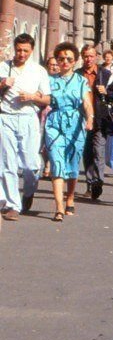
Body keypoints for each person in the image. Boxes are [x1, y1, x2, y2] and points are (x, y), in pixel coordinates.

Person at [0, 33, 52, 220]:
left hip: (29, 117)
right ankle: (13, 204)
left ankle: (29, 191)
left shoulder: (38, 71)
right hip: (6, 117)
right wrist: (2, 84)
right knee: (7, 164)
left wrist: (32, 97)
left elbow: (47, 98)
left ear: (31, 51)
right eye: (19, 50)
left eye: (25, 51)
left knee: (31, 164)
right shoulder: (4, 67)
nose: (21, 54)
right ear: (14, 49)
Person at [46, 42, 93, 222]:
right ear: (57, 60)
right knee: (57, 162)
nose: (65, 62)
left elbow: (86, 103)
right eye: (61, 58)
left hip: (75, 124)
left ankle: (70, 197)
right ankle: (58, 207)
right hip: (54, 123)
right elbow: (43, 98)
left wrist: (90, 118)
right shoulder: (50, 80)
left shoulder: (81, 81)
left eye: (69, 59)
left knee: (72, 163)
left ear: (74, 62)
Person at [78, 44, 110, 199]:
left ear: (96, 57)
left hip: (99, 119)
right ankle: (90, 184)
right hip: (81, 119)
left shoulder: (105, 74)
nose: (88, 59)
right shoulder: (77, 74)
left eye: (91, 56)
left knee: (98, 151)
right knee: (87, 153)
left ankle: (98, 181)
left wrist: (107, 91)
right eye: (85, 56)